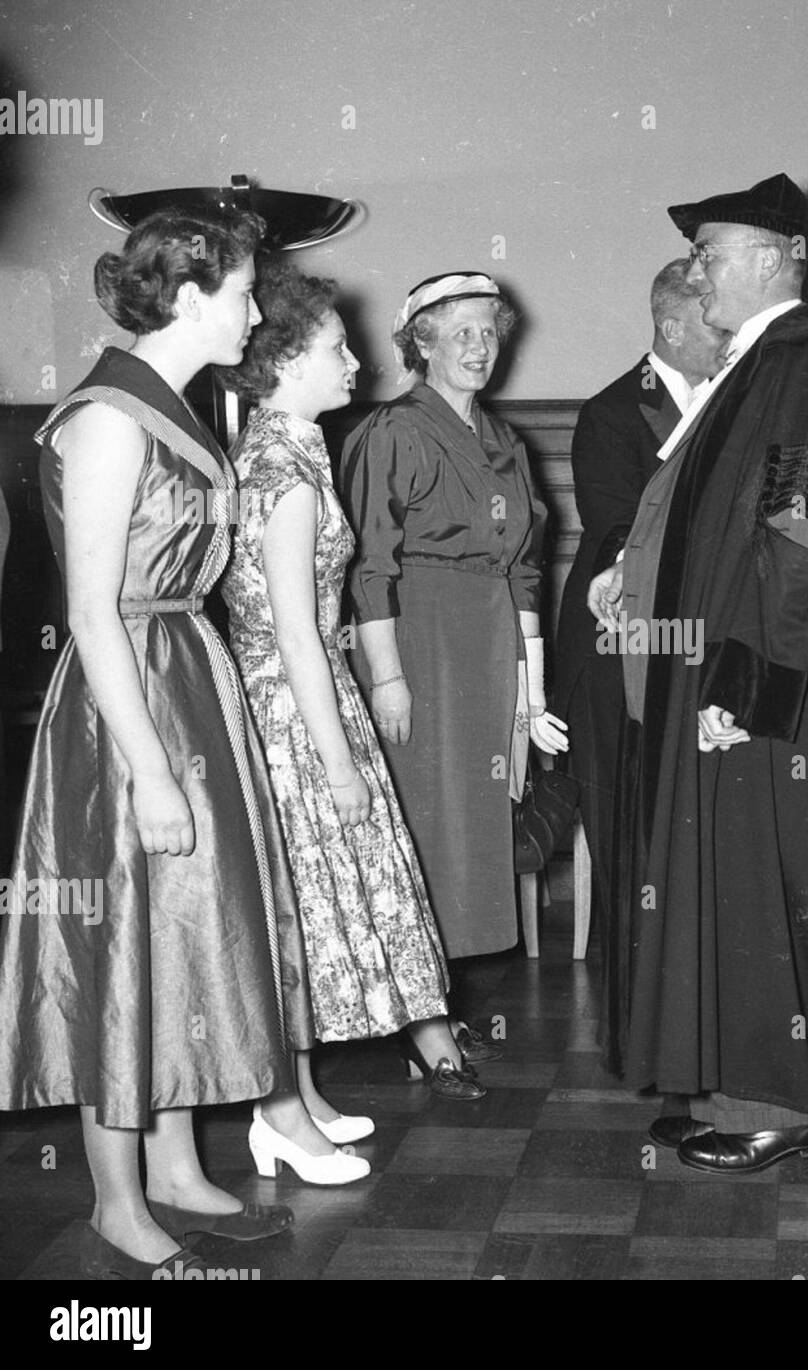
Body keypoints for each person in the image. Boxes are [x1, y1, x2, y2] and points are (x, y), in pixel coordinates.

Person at [0, 207, 314, 1277]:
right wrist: (145, 770)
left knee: (186, 928)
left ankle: (177, 1169)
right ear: (186, 297)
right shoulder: (107, 418)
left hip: (185, 681)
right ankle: (116, 1199)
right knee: (122, 942)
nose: (257, 311)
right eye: (241, 292)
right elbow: (91, 611)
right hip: (124, 702)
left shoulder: (167, 407)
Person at [589, 172, 808, 1174]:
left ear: (772, 260)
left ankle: (784, 1101)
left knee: (767, 886)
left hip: (762, 690)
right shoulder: (758, 366)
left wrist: (746, 688)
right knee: (720, 882)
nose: (697, 273)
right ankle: (723, 1082)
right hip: (717, 672)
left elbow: (800, 536)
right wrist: (630, 583)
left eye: (712, 255)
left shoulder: (806, 368)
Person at [221, 263, 478, 1133]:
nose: (356, 364)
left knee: (303, 901)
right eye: (336, 348)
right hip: (298, 706)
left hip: (303, 694)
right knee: (302, 899)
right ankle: (280, 1110)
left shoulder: (286, 445)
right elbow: (297, 634)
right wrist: (338, 765)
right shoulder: (285, 469)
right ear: (289, 358)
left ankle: (292, 1102)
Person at [340, 273, 566, 1072]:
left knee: (470, 834)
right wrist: (389, 677)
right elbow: (370, 565)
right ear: (421, 342)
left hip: (489, 642)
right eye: (458, 331)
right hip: (420, 641)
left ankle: (431, 1006)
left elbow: (528, 571)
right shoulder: (392, 430)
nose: (478, 346)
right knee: (424, 830)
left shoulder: (507, 441)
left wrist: (529, 691)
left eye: (488, 331)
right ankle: (425, 1028)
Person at [553, 259, 729, 1073]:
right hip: (616, 649)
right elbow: (626, 535)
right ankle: (631, 1013)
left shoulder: (733, 399)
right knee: (624, 826)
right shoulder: (610, 414)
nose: (727, 334)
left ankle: (683, 992)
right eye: (713, 322)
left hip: (691, 650)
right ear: (671, 326)